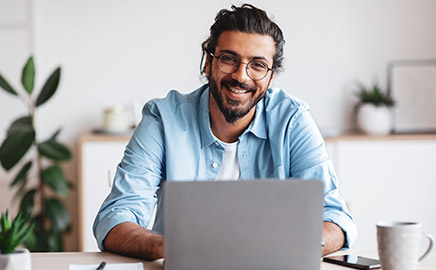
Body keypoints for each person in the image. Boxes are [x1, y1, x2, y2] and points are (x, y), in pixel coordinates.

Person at [93, 3, 356, 260]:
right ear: (208, 62)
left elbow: (335, 218)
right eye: (229, 59)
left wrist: (296, 247)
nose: (241, 76)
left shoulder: (293, 120)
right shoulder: (163, 119)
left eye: (257, 65)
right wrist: (166, 246)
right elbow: (115, 217)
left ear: (271, 76)